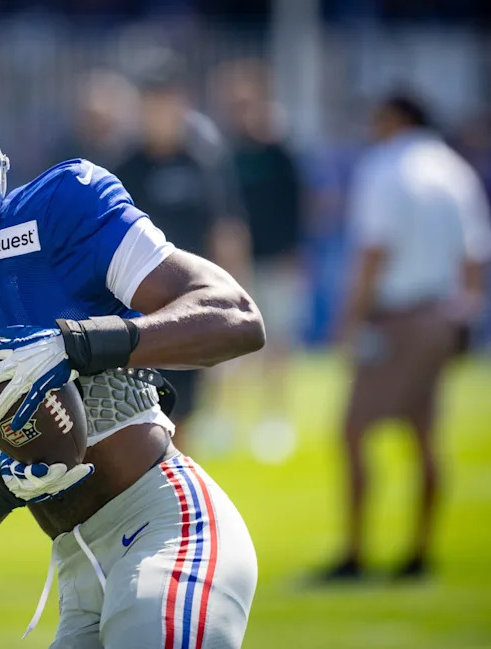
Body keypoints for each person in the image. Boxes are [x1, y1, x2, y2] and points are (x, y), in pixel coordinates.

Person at [0, 70, 264, 648]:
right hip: (76, 574)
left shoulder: (63, 208)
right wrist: (2, 488)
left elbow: (236, 317)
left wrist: (77, 344)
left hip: (167, 529)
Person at [323, 93, 491, 581]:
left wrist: (349, 319)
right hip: (442, 314)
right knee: (425, 436)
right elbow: (477, 253)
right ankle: (420, 552)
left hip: (395, 319)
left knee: (354, 432)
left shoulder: (385, 167)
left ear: (396, 118)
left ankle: (355, 554)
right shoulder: (455, 170)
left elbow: (374, 250)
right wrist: (467, 318)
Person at [113, 55, 249, 438]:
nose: (160, 111)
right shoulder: (127, 167)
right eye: (152, 102)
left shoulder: (203, 162)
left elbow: (226, 231)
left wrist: (229, 293)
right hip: (139, 306)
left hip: (189, 302)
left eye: (167, 100)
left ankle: (178, 485)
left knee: (184, 410)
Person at [211, 59, 304, 461]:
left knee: (278, 341)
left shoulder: (279, 152)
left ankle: (274, 419)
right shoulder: (224, 154)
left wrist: (294, 253)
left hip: (276, 260)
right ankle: (226, 419)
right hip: (235, 264)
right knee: (228, 343)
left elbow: (298, 206)